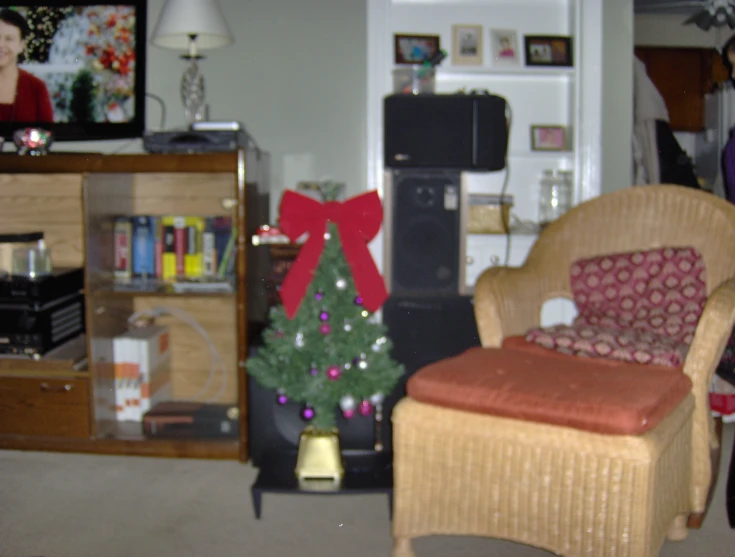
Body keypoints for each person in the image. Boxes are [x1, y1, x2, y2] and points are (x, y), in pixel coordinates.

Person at [0, 8, 54, 123]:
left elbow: (47, 134)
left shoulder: (36, 87)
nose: (1, 45)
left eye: (9, 39)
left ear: (21, 45)